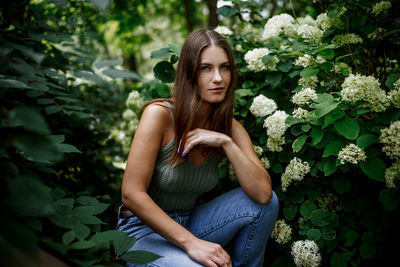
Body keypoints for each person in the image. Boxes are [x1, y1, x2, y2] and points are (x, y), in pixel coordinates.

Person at [117, 29, 279, 267]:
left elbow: (263, 195)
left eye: (224, 67)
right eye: (206, 68)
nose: (218, 78)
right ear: (189, 73)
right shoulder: (159, 116)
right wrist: (192, 243)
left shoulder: (230, 128)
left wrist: (227, 143)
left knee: (267, 202)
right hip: (142, 232)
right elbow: (131, 194)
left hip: (191, 222)